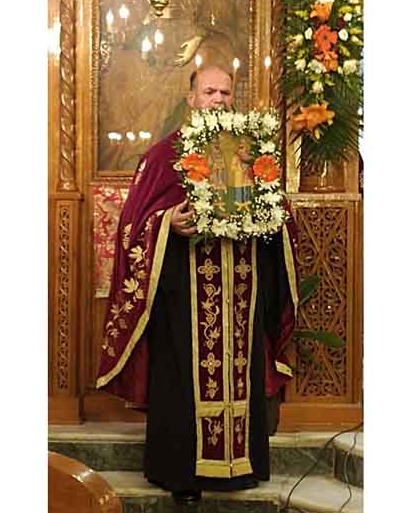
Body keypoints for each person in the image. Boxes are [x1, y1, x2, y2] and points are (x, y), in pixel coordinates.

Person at [96, 65, 299, 504]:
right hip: (183, 297)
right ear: (191, 99)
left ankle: (240, 465)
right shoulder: (163, 157)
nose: (218, 100)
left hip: (241, 294)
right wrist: (167, 222)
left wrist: (273, 217)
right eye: (209, 92)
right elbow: (133, 226)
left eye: (225, 92)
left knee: (240, 374)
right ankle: (181, 474)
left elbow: (278, 213)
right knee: (183, 382)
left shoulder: (250, 154)